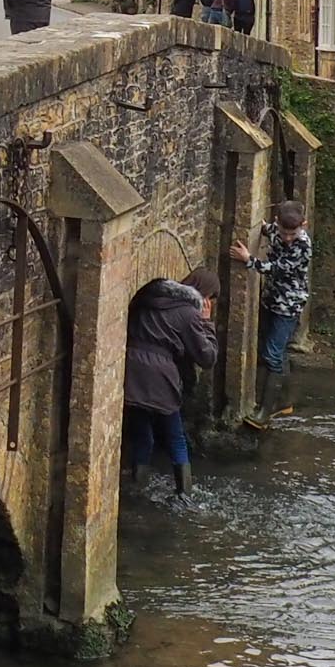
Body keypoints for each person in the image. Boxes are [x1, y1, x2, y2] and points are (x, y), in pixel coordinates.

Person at [124, 268, 220, 498]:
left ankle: (138, 483)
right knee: (175, 435)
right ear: (204, 295)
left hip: (130, 371)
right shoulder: (189, 313)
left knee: (142, 430)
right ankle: (184, 493)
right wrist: (206, 323)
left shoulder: (151, 296)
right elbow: (207, 358)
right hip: (160, 376)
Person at [229, 199, 313, 429]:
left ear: (303, 225)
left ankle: (265, 411)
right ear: (278, 222)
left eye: (293, 233)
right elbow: (269, 230)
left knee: (272, 354)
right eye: (285, 232)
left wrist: (248, 260)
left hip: (289, 306)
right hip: (272, 299)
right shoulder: (277, 229)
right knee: (276, 350)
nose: (288, 237)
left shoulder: (303, 247)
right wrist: (262, 227)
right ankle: (283, 400)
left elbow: (275, 267)